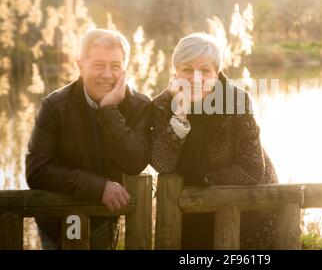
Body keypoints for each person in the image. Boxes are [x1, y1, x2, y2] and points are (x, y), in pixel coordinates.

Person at [26, 28, 152, 249]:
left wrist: (108, 111)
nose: (107, 74)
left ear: (124, 69)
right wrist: (98, 187)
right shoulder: (55, 106)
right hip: (58, 218)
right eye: (98, 65)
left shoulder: (139, 106)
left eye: (115, 66)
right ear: (80, 65)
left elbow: (135, 162)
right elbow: (37, 171)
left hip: (103, 219)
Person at [150, 32, 278, 249]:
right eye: (187, 69)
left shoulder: (236, 100)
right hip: (190, 210)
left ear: (217, 72)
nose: (196, 78)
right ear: (175, 72)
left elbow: (252, 170)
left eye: (205, 70)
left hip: (249, 212)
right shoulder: (162, 105)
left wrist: (204, 178)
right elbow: (162, 164)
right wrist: (180, 116)